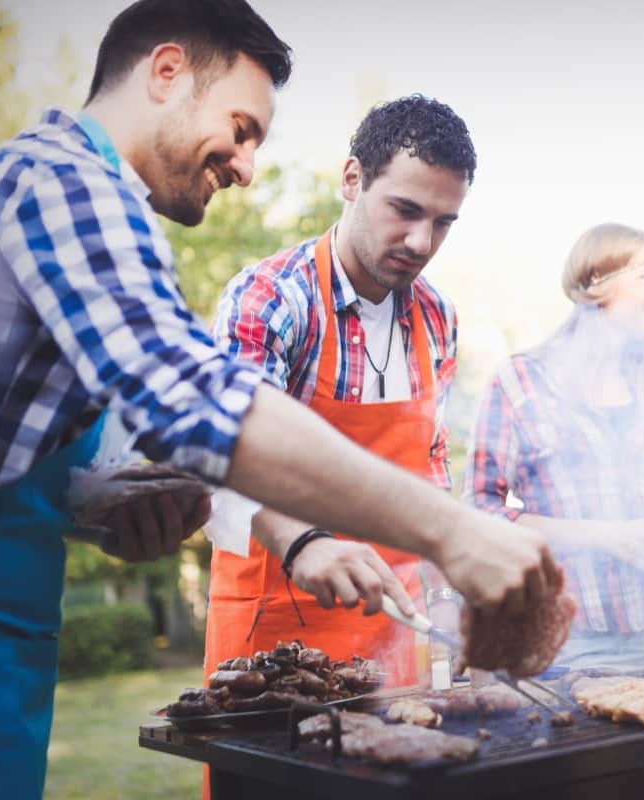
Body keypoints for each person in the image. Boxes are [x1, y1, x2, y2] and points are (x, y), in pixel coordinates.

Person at [0, 2, 553, 796]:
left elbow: (20, 441)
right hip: (269, 621)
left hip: (20, 638)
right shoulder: (67, 185)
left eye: (443, 222)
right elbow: (193, 400)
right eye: (241, 128)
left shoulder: (435, 317)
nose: (247, 167)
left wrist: (89, 505)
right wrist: (455, 532)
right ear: (165, 73)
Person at [204, 96, 473, 687]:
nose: (421, 242)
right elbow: (222, 456)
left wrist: (446, 594)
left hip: (394, 633)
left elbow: (430, 469)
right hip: (271, 641)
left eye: (443, 222)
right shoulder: (271, 299)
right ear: (352, 179)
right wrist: (304, 542)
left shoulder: (438, 317)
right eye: (405, 210)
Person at [465, 223, 644, 673]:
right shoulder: (522, 382)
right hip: (587, 641)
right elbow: (481, 511)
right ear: (596, 281)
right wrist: (604, 535)